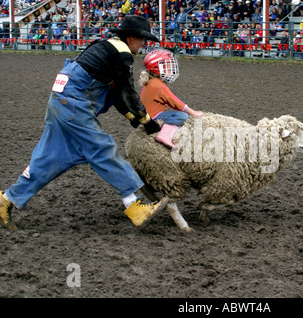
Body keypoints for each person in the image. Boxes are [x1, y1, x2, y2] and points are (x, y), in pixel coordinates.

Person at [0, 16, 169, 231]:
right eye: (143, 40)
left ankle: (7, 200)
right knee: (102, 148)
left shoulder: (106, 47)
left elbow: (117, 95)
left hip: (60, 100)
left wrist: (134, 119)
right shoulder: (122, 52)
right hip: (73, 104)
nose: (144, 45)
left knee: (49, 158)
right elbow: (126, 90)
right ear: (131, 38)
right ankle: (134, 206)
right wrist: (147, 120)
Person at [139, 48, 203, 148]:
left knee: (176, 115)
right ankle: (165, 135)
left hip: (147, 116)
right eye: (168, 67)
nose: (171, 69)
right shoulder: (159, 86)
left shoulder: (151, 82)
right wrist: (194, 113)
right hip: (153, 117)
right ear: (157, 68)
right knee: (183, 116)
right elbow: (175, 102)